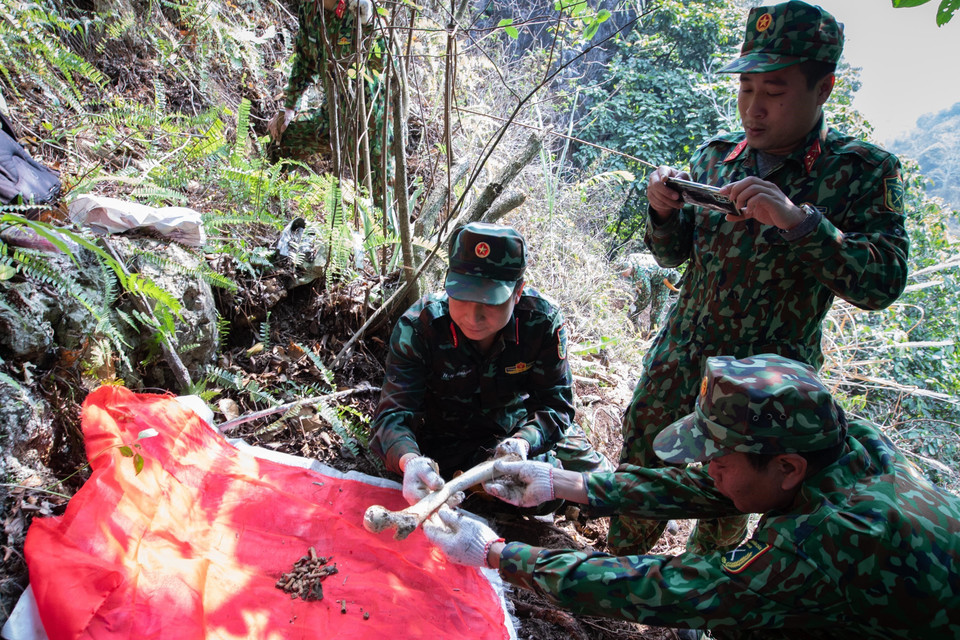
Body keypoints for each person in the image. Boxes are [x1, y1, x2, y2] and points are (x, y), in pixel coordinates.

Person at [609, 0, 910, 556]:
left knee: (732, 501)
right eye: (746, 88)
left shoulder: (863, 172)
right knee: (640, 472)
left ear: (822, 90)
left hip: (767, 389)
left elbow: (883, 282)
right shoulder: (716, 158)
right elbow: (674, 256)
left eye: (774, 92)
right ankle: (614, 580)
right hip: (681, 359)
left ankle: (702, 601)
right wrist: (663, 212)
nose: (754, 108)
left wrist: (800, 223)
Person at [423, 354, 960, 639]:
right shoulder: (844, 442)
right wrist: (568, 483)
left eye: (718, 458)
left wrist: (500, 554)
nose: (708, 469)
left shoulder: (832, 541)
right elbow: (715, 488)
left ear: (787, 467)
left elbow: (679, 588)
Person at [370, 222, 613, 506]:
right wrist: (410, 460)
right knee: (518, 494)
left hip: (518, 430)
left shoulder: (540, 322)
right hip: (448, 437)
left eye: (491, 301)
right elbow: (392, 417)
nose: (474, 316)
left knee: (602, 483)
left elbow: (555, 407)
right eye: (462, 296)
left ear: (518, 292)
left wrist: (522, 443)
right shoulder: (420, 326)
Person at [267, 0, 389, 199]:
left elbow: (382, 61)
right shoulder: (310, 8)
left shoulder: (360, 8)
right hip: (332, 114)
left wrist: (368, 22)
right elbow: (304, 59)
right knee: (282, 137)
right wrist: (290, 105)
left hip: (370, 122)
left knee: (378, 199)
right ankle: (274, 206)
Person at [618, 252, 680, 333]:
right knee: (643, 299)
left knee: (657, 310)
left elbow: (646, 295)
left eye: (623, 272)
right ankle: (632, 319)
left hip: (662, 279)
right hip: (654, 275)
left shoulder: (640, 273)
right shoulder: (634, 264)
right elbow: (644, 295)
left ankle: (653, 333)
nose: (622, 275)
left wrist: (634, 307)